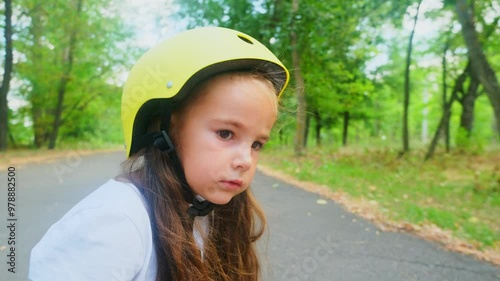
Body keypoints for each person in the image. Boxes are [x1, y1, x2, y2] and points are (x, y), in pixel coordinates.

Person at [28, 26, 289, 281]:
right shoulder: (113, 223)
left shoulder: (212, 211)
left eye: (256, 144)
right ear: (167, 127)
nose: (245, 161)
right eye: (225, 134)